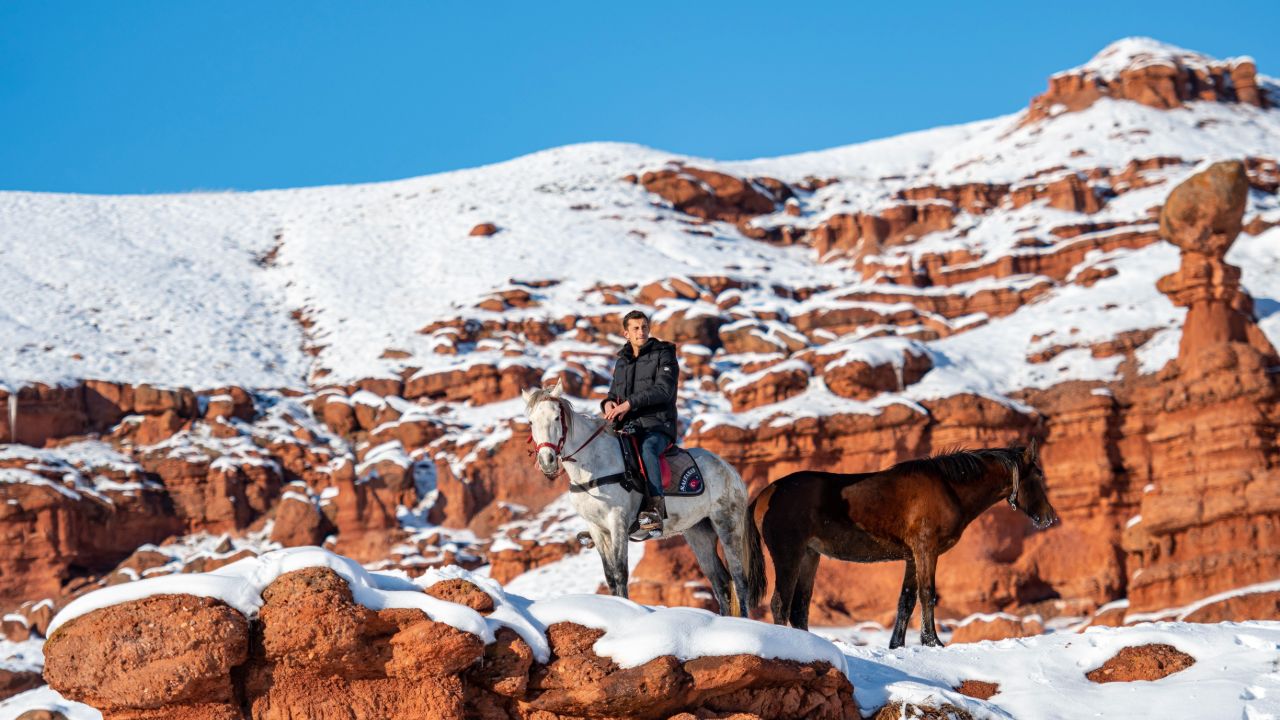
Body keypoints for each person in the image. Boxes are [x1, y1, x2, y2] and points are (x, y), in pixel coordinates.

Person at [603, 310, 679, 534]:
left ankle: (655, 510)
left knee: (647, 449)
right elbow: (613, 393)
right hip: (628, 428)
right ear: (626, 333)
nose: (641, 331)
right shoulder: (622, 362)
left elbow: (664, 390)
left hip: (658, 425)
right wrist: (607, 404)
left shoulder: (664, 354)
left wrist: (629, 404)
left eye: (644, 326)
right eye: (635, 328)